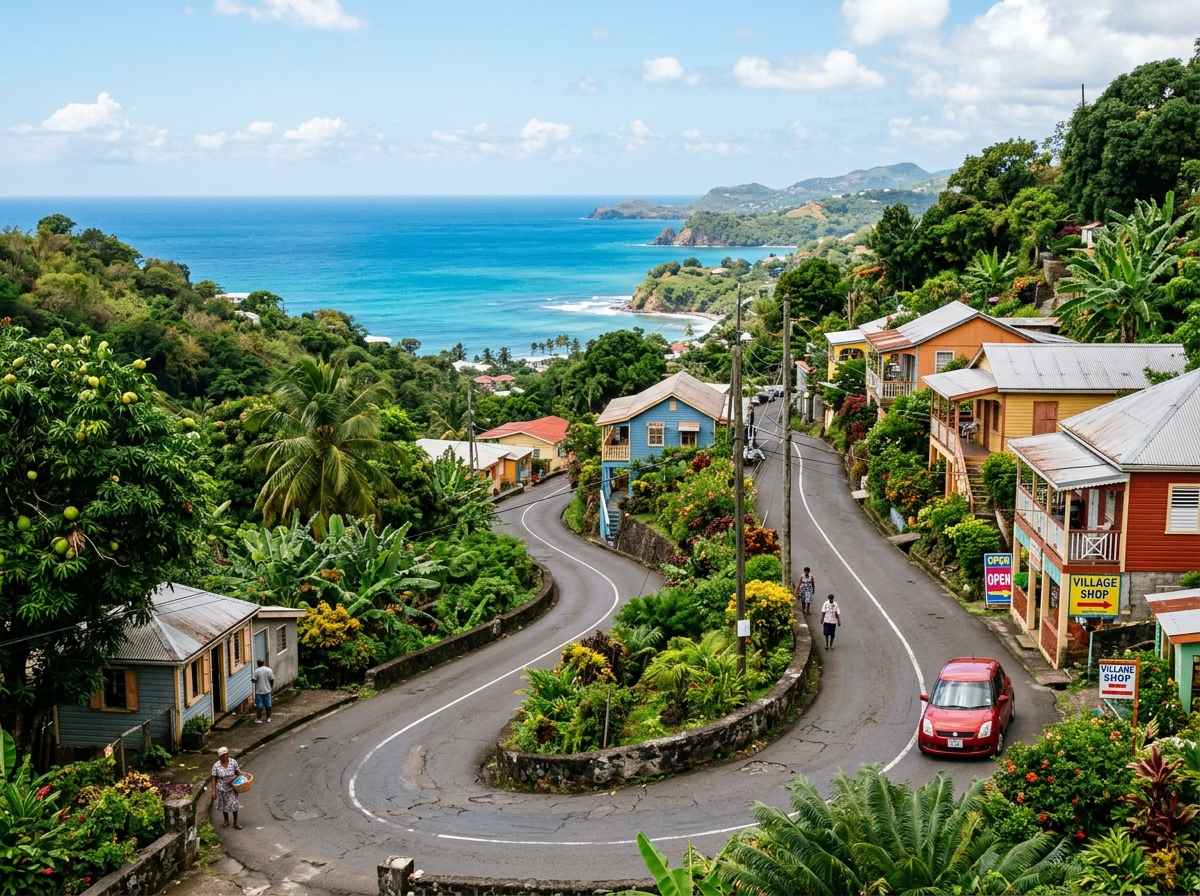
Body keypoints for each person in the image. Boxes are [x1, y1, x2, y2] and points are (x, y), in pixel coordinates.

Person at [210, 747, 242, 829]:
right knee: (224, 805)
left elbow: (238, 773)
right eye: (222, 755)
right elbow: (213, 778)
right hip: (222, 788)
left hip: (232, 787)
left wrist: (241, 780)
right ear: (219, 757)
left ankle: (235, 823)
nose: (225, 757)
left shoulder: (233, 762)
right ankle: (226, 821)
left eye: (226, 754)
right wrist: (213, 791)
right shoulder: (216, 766)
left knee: (234, 804)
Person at [252, 658, 274, 724]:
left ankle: (259, 719)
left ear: (258, 664)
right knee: (268, 705)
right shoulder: (269, 670)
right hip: (267, 690)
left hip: (259, 691)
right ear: (263, 663)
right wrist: (271, 687)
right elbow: (272, 679)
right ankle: (268, 718)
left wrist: (252, 680)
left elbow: (254, 680)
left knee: (259, 706)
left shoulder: (256, 671)